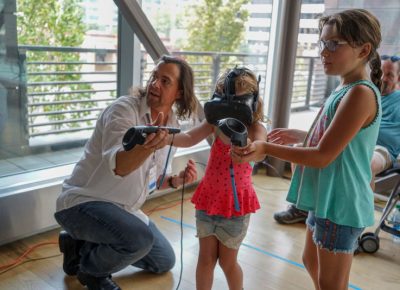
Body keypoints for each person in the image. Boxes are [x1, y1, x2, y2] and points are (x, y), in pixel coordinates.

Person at [232, 9, 382, 290]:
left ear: (364, 50)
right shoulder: (344, 89)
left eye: (333, 44)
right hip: (326, 198)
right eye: (322, 43)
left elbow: (324, 156)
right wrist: (302, 135)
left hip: (341, 203)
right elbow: (340, 140)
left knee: (331, 282)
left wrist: (267, 148)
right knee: (311, 261)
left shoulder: (360, 93)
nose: (324, 51)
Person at [54, 55, 198, 290]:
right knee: (139, 240)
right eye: (154, 76)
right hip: (82, 203)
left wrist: (175, 181)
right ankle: (92, 273)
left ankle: (78, 245)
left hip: (123, 210)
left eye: (165, 81)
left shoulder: (170, 123)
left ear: (180, 92)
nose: (154, 84)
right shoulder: (123, 110)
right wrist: (148, 145)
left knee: (164, 260)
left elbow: (152, 181)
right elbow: (120, 166)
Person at [168, 67, 267, 290]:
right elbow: (188, 138)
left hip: (235, 206)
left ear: (251, 102)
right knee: (205, 259)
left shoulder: (255, 128)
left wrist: (249, 148)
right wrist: (165, 138)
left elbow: (262, 150)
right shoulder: (214, 123)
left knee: (227, 262)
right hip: (208, 201)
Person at [272, 54, 400, 224]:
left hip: (381, 149)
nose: (383, 78)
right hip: (351, 140)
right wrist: (303, 135)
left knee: (365, 163)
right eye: (382, 72)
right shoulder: (360, 92)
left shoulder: (384, 98)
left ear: (398, 78)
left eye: (390, 75)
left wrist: (266, 148)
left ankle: (357, 219)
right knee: (302, 147)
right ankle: (303, 206)